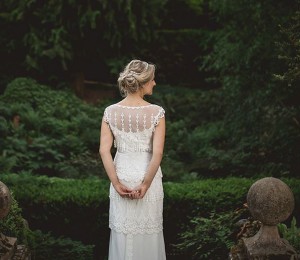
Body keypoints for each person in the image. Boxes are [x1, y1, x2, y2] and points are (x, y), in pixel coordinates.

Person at [99, 59, 166, 260]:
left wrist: (116, 183)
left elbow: (104, 151)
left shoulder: (110, 112)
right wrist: (145, 184)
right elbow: (158, 154)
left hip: (122, 175)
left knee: (122, 234)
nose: (154, 83)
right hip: (148, 176)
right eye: (152, 79)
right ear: (144, 82)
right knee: (149, 233)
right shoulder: (157, 113)